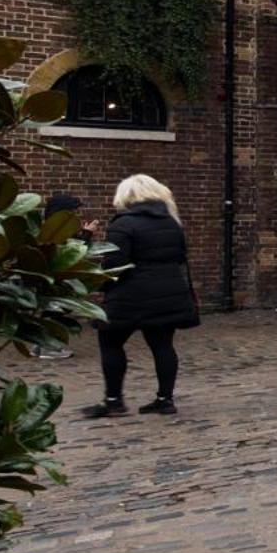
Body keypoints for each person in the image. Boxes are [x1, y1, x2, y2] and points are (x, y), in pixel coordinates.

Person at [82, 175, 198, 418]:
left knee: (110, 341)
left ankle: (114, 401)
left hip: (129, 294)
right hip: (167, 292)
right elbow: (179, 257)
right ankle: (165, 400)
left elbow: (115, 264)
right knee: (163, 345)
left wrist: (99, 284)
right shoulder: (171, 221)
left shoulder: (123, 224)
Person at [32, 192, 97, 360]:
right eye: (72, 211)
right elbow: (73, 252)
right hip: (56, 276)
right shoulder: (58, 228)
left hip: (46, 275)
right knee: (54, 311)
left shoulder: (48, 225)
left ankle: (40, 346)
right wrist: (87, 234)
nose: (74, 215)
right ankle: (49, 348)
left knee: (49, 309)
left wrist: (83, 232)